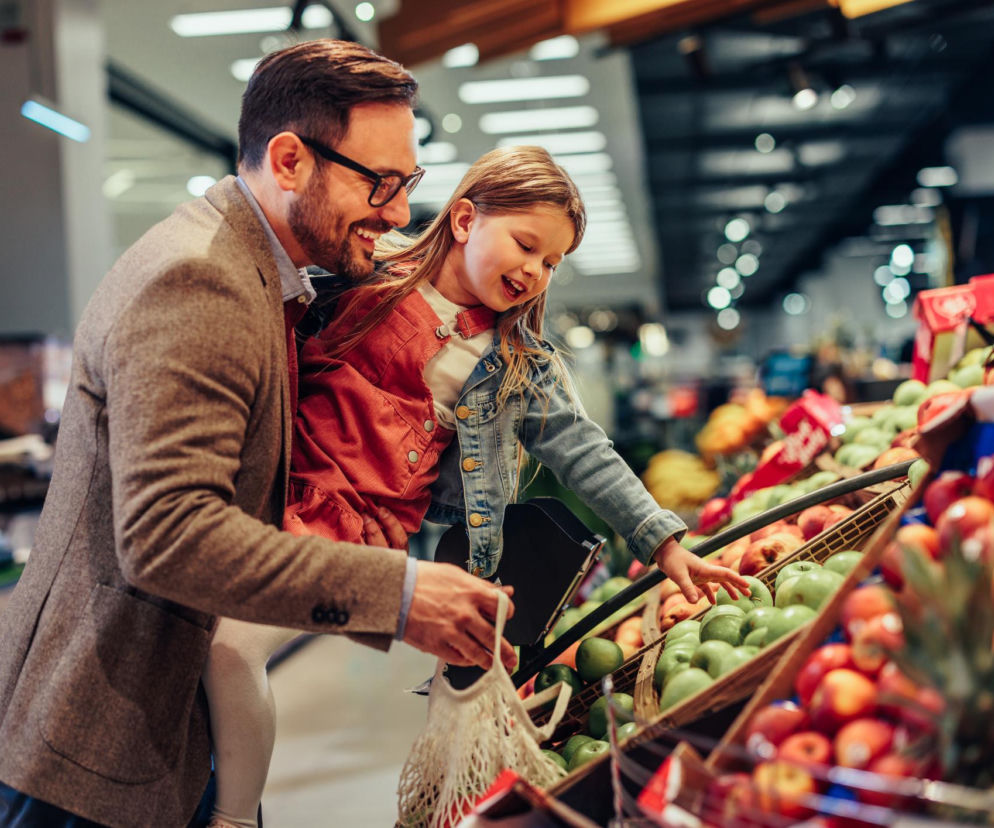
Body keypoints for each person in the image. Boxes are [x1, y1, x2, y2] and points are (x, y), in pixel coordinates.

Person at [0, 40, 516, 828]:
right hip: (94, 754)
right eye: (380, 182)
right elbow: (171, 534)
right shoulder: (199, 280)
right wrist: (402, 594)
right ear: (288, 160)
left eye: (406, 182)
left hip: (161, 726)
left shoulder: (262, 273)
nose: (400, 211)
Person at [203, 146, 751, 828]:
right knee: (208, 650)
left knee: (232, 648)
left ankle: (232, 819)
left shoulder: (519, 366)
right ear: (464, 218)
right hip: (263, 495)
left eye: (552, 262)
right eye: (526, 244)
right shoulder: (364, 279)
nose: (535, 271)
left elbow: (585, 451)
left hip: (355, 532)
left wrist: (663, 541)